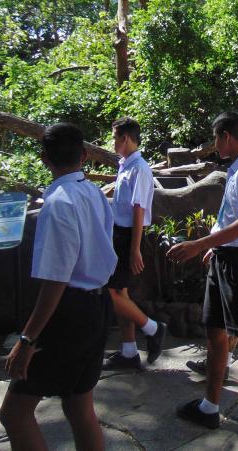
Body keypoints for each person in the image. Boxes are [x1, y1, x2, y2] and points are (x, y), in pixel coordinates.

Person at [0, 123, 118, 450]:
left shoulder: (58, 203)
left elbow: (56, 280)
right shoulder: (95, 193)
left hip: (67, 314)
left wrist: (27, 340)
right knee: (79, 405)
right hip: (98, 306)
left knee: (14, 414)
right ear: (84, 155)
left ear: (44, 158)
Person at [168, 112, 238, 430]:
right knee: (215, 331)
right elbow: (233, 220)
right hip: (226, 257)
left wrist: (201, 243)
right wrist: (215, 246)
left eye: (216, 138)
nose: (215, 145)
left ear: (226, 136)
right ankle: (209, 406)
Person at [104, 117, 166, 369]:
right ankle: (129, 351)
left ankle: (153, 328)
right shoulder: (126, 165)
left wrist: (134, 249)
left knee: (110, 291)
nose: (113, 143)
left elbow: (139, 209)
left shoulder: (139, 168)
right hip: (120, 233)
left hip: (129, 235)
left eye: (115, 138)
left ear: (126, 138)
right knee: (121, 293)